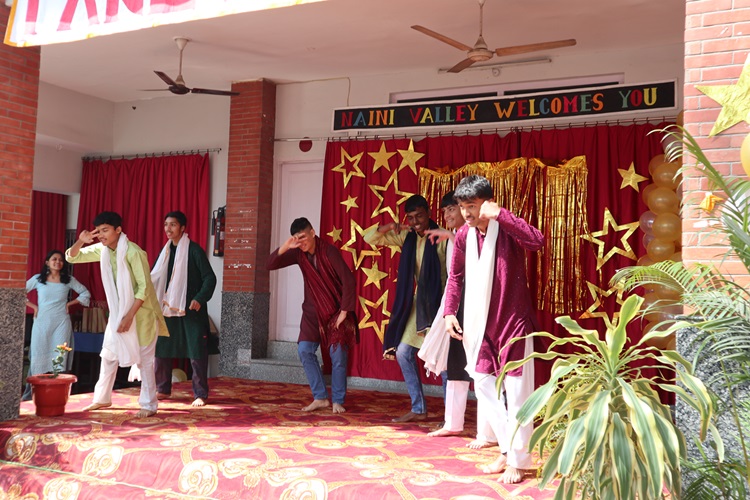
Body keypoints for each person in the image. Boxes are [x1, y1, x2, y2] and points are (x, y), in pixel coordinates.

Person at [443, 175, 544, 485]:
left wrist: (502, 215)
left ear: (487, 203)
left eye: (472, 206)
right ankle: (507, 449)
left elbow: (537, 241)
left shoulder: (507, 227)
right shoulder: (464, 235)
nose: (466, 213)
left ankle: (518, 461)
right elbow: (455, 276)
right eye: (462, 207)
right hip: (480, 324)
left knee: (517, 393)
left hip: (513, 321)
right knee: (484, 385)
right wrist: (449, 312)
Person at [66, 211, 168, 418]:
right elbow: (72, 257)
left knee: (145, 361)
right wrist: (81, 240)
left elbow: (144, 288)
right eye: (98, 231)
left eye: (105, 230)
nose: (101, 235)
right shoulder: (103, 250)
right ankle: (102, 398)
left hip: (142, 315)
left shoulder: (134, 252)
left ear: (118, 230)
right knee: (108, 356)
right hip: (118, 313)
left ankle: (149, 404)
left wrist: (129, 317)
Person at [364, 194, 446, 423]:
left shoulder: (443, 238)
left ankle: (451, 416)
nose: (415, 221)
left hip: (441, 304)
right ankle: (419, 408)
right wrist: (390, 226)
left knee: (443, 360)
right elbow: (370, 237)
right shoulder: (406, 237)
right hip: (419, 304)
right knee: (402, 352)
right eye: (411, 218)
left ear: (429, 213)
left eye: (419, 216)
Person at [267, 217, 358, 414]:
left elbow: (349, 281)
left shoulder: (329, 251)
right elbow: (270, 264)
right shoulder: (298, 254)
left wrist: (344, 311)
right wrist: (286, 245)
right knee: (304, 351)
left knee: (338, 356)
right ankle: (320, 397)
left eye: (303, 237)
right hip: (311, 312)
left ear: (313, 233)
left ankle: (338, 400)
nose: (301, 242)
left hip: (336, 312)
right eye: (296, 239)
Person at [419, 192, 484, 442]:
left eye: (451, 209)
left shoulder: (477, 234)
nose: (447, 215)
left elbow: (476, 265)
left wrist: (453, 237)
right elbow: (453, 280)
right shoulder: (452, 237)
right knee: (456, 365)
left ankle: (488, 430)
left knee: (482, 367)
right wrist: (447, 312)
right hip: (457, 307)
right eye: (445, 211)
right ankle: (453, 423)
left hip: (477, 306)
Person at [151, 211, 217, 407]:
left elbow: (210, 278)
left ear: (182, 228)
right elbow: (154, 277)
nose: (168, 229)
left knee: (196, 351)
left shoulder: (194, 250)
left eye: (173, 225)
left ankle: (200, 394)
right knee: (162, 348)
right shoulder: (165, 252)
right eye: (166, 225)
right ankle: (163, 389)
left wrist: (199, 298)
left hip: (191, 310)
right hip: (167, 308)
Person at [23, 250, 91, 401]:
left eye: (60, 260)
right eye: (54, 259)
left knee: (59, 355)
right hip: (42, 321)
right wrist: (33, 307)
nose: (58, 262)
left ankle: (57, 395)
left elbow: (85, 293)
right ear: (47, 262)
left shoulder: (68, 280)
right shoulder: (38, 279)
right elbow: (19, 292)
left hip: (61, 322)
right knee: (38, 356)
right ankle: (31, 395)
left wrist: (70, 304)